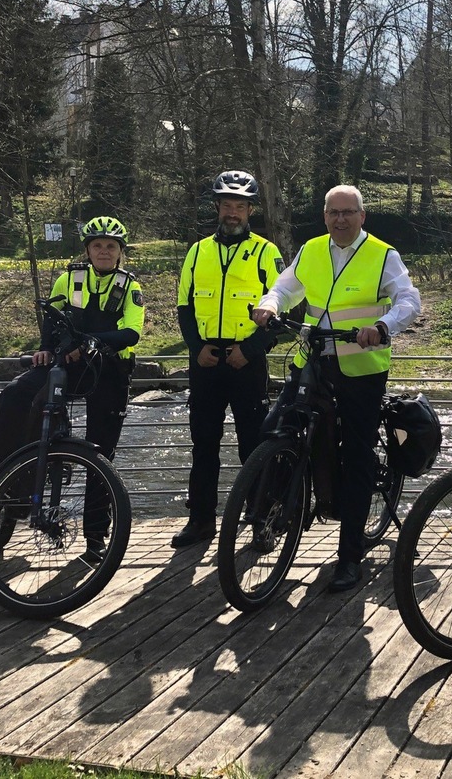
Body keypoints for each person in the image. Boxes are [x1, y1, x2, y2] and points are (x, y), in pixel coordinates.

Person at [252, 184, 421, 593]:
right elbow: (285, 286)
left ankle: (349, 557)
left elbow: (410, 301)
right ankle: (276, 515)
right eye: (333, 213)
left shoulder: (383, 254)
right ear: (324, 216)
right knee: (274, 430)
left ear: (362, 216)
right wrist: (270, 304)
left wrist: (382, 327)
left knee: (357, 455)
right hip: (312, 358)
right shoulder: (311, 249)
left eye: (348, 212)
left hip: (361, 367)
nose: (341, 219)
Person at [0, 215, 144, 562]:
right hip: (69, 363)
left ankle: (95, 534)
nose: (103, 252)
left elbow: (131, 333)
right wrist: (46, 346)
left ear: (120, 252)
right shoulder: (68, 279)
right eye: (97, 246)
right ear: (87, 250)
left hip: (109, 370)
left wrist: (90, 341)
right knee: (15, 396)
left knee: (101, 452)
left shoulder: (130, 287)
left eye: (110, 247)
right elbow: (52, 319)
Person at [173, 171, 284, 548]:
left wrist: (250, 350)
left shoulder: (266, 253)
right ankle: (201, 521)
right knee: (203, 444)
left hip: (246, 362)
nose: (232, 213)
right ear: (217, 208)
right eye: (226, 205)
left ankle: (260, 522)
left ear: (250, 210)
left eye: (239, 206)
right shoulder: (197, 251)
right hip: (205, 361)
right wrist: (195, 347)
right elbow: (184, 306)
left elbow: (283, 314)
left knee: (253, 446)